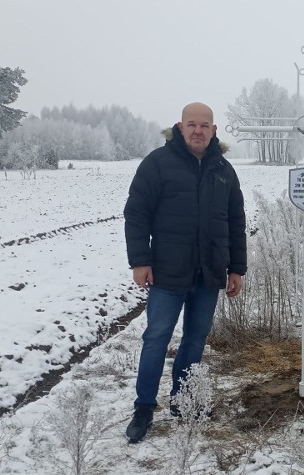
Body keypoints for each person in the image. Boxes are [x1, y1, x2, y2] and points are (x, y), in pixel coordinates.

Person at [123, 102, 247, 443]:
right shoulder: (158, 163)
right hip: (166, 272)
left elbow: (236, 221)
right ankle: (144, 407)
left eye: (204, 125)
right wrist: (140, 261)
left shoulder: (223, 169)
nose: (197, 130)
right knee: (156, 338)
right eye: (191, 124)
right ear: (180, 127)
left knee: (195, 338)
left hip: (208, 273)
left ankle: (182, 399)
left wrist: (236, 267)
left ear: (214, 130)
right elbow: (136, 214)